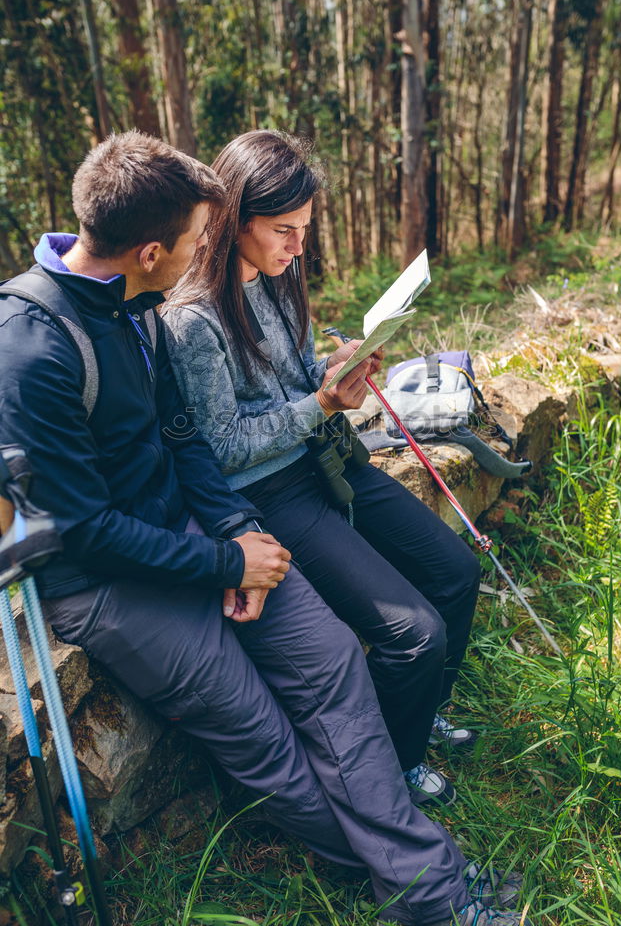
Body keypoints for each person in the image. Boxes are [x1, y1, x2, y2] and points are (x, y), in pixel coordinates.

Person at [0, 131, 530, 926]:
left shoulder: (135, 302)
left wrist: (241, 536)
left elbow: (184, 442)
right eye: (191, 241)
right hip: (104, 585)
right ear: (149, 250)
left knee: (333, 672)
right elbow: (83, 533)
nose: (200, 256)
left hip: (195, 535)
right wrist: (222, 563)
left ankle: (421, 877)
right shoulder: (33, 348)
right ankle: (431, 889)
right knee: (266, 738)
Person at [163, 130, 481, 804]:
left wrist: (336, 370)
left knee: (456, 572)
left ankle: (418, 713)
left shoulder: (280, 281)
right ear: (232, 218)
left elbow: (297, 376)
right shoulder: (193, 321)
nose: (297, 245)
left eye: (304, 229)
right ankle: (393, 771)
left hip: (325, 460)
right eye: (284, 229)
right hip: (270, 493)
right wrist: (318, 403)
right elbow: (219, 449)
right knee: (411, 633)